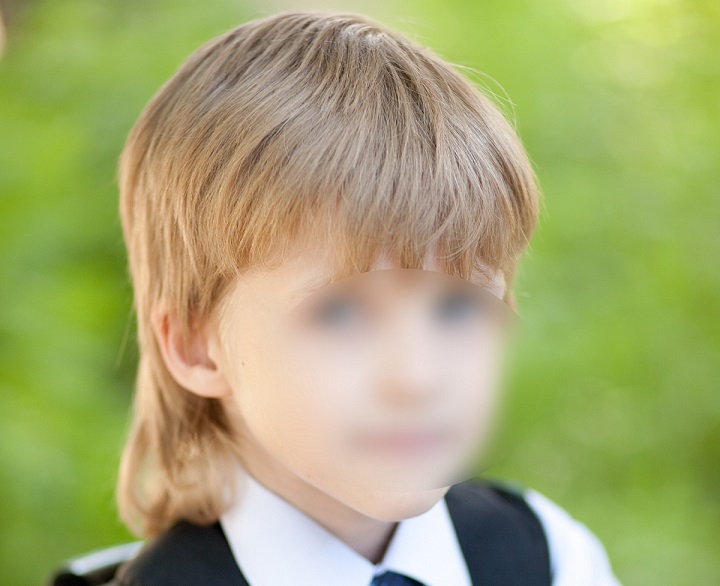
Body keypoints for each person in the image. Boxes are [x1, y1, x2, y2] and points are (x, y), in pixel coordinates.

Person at [109, 9, 622, 586]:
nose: (417, 378)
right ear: (198, 348)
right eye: (341, 313)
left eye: (457, 308)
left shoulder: (546, 557)